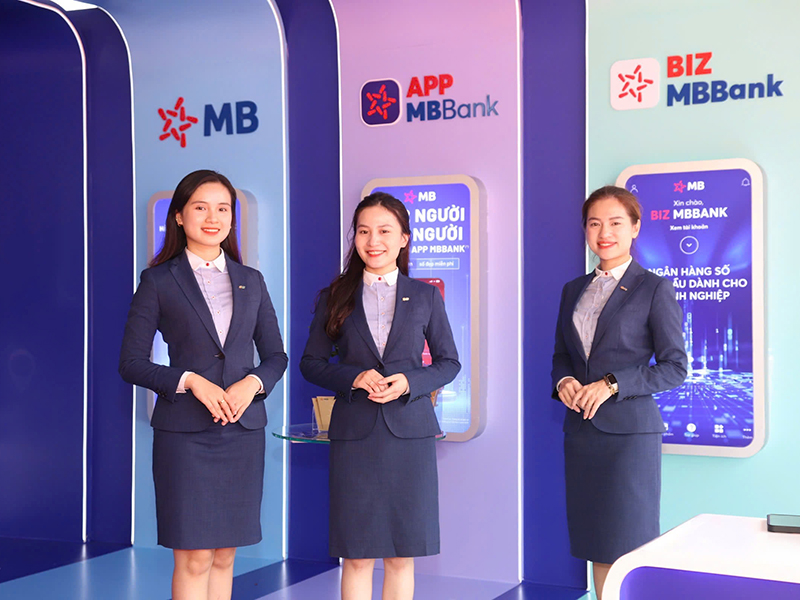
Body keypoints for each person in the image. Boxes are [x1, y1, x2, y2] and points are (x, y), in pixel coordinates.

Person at [119, 170, 287, 600]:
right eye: (200, 207)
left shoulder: (252, 280)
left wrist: (252, 383)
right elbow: (131, 364)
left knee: (226, 556)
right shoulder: (158, 281)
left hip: (241, 433)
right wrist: (189, 380)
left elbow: (276, 356)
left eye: (222, 208)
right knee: (194, 558)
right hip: (185, 437)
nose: (213, 218)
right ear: (179, 216)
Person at [300, 192, 460, 600]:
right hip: (355, 437)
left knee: (401, 556)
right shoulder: (335, 296)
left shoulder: (425, 296)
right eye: (364, 231)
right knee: (356, 555)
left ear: (404, 238)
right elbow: (311, 364)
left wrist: (409, 382)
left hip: (409, 436)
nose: (374, 241)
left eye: (385, 231)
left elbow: (449, 363)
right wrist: (354, 377)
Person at [551, 186, 687, 599]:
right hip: (582, 434)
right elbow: (562, 355)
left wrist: (612, 384)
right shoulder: (573, 290)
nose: (604, 233)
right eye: (594, 224)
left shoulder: (653, 288)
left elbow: (675, 367)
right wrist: (564, 382)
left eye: (615, 223)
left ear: (635, 228)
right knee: (597, 545)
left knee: (628, 546)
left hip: (629, 438)